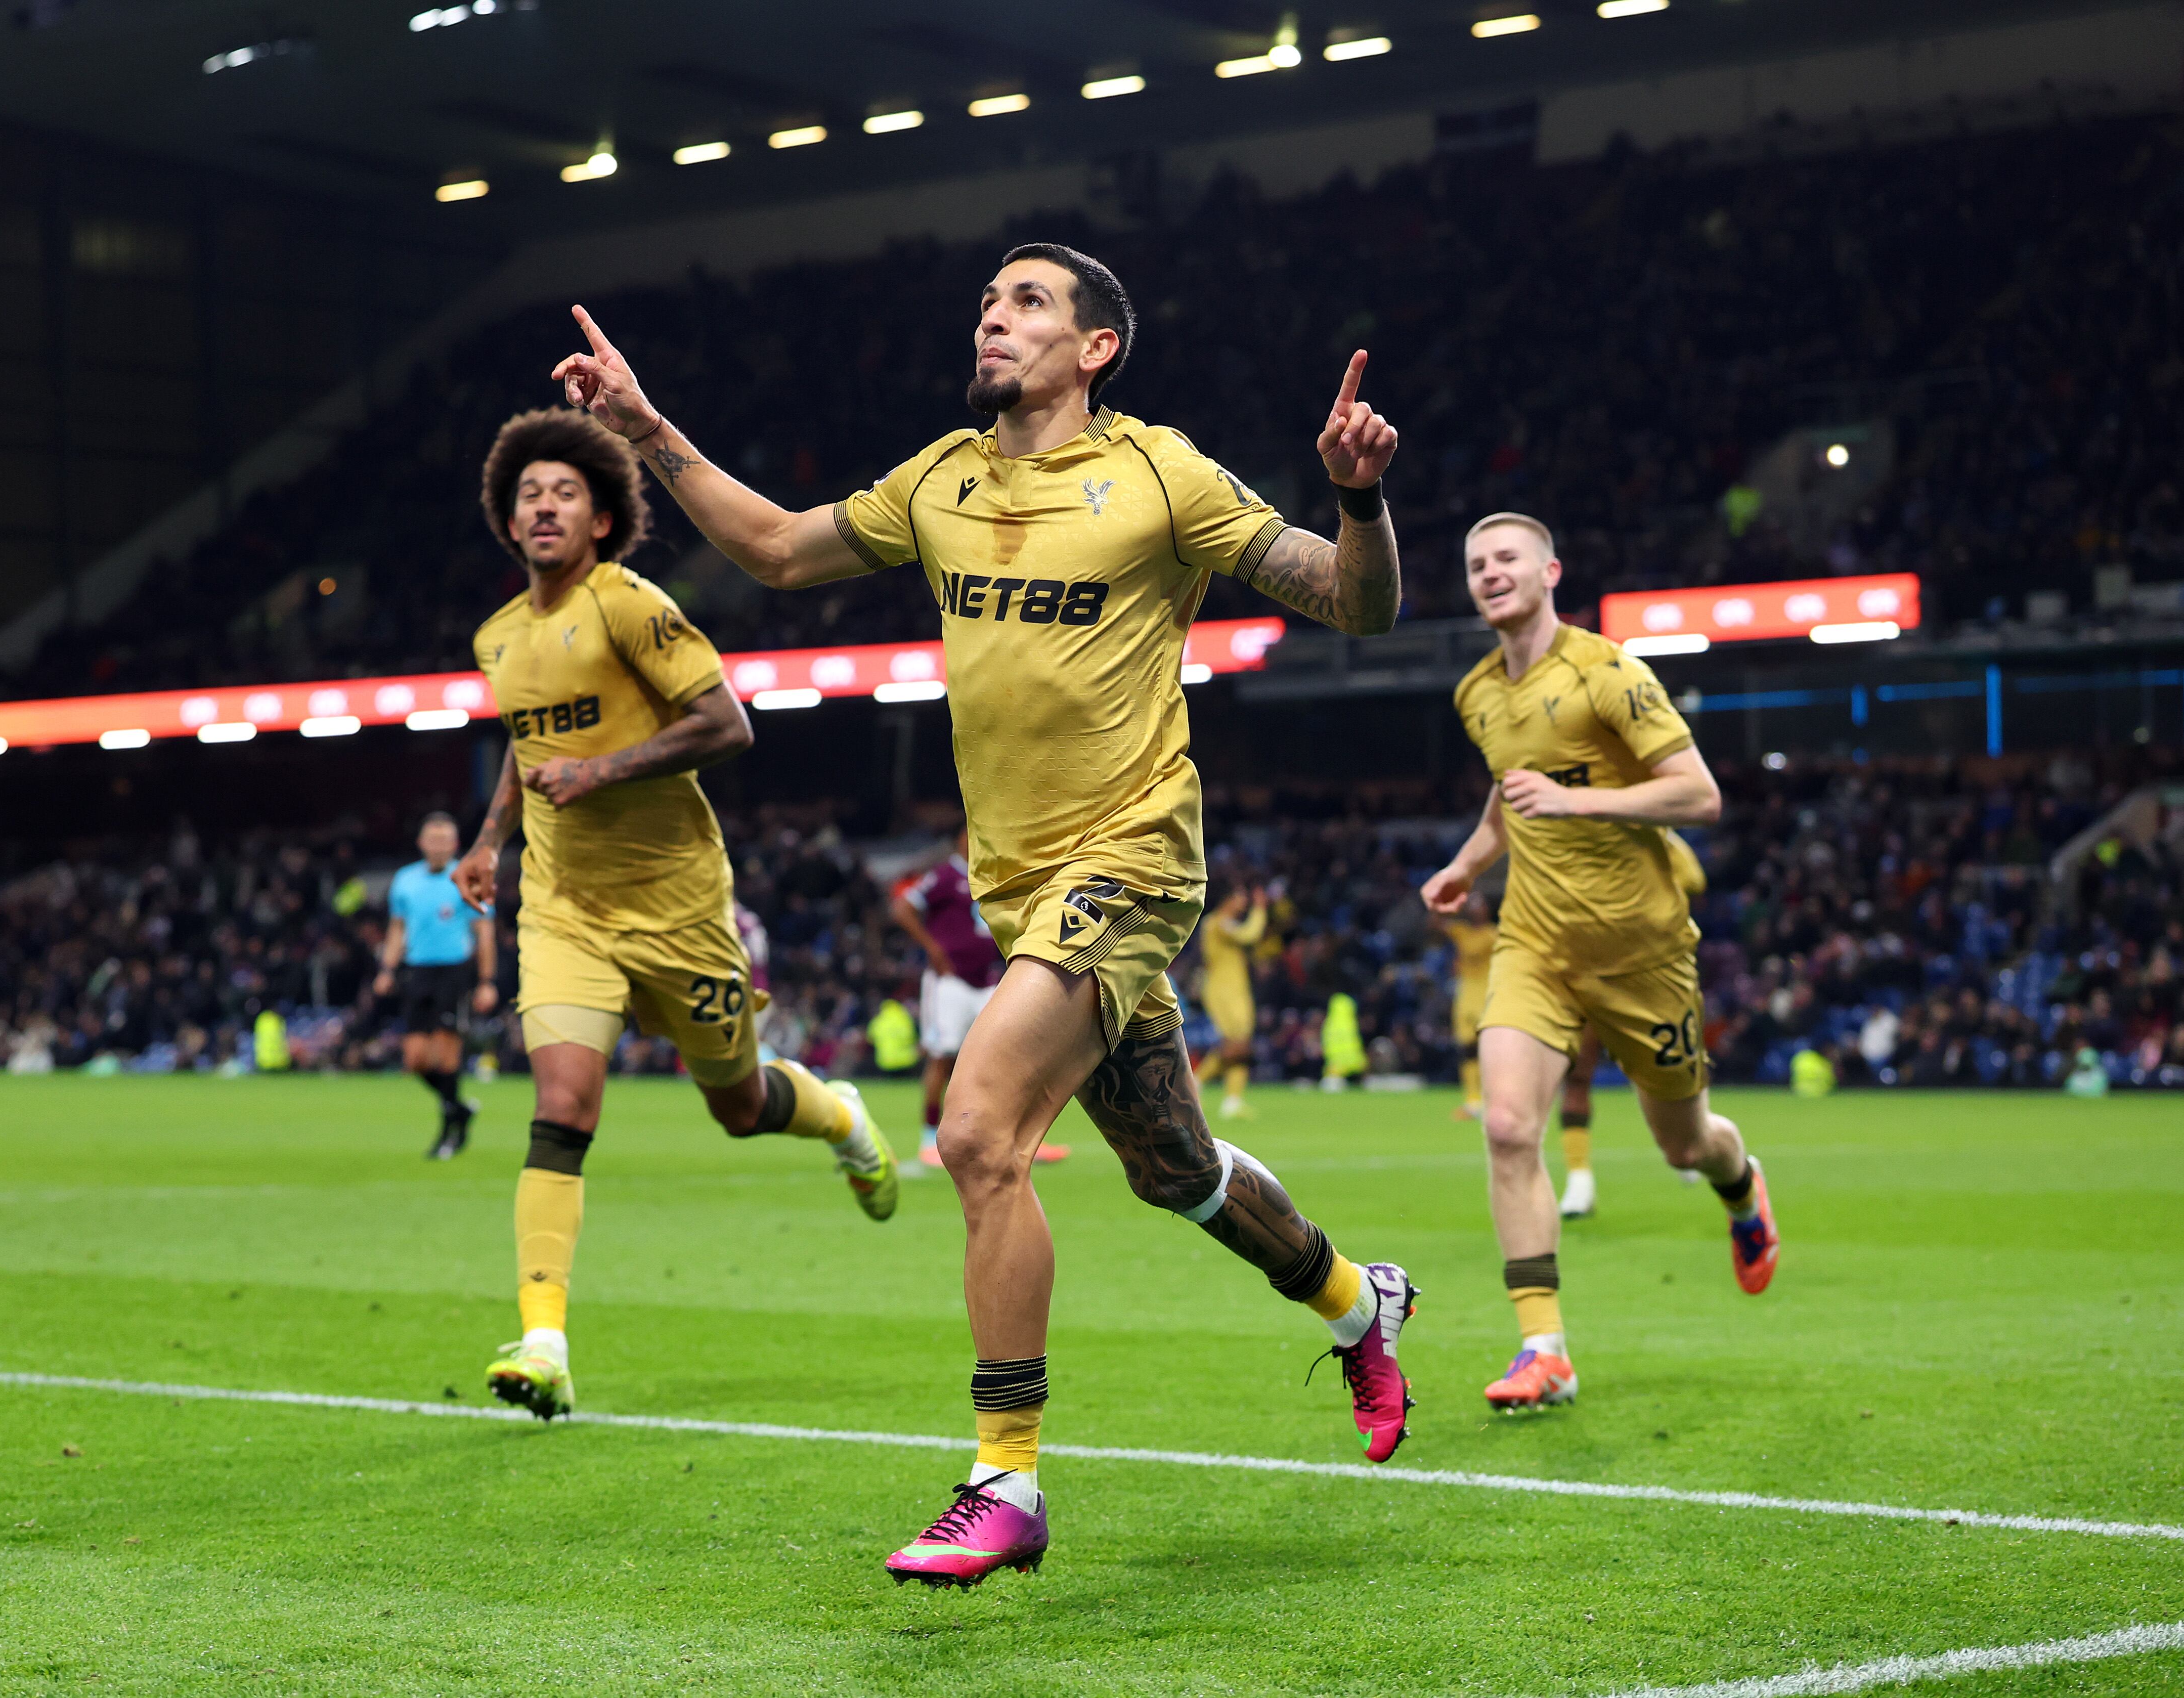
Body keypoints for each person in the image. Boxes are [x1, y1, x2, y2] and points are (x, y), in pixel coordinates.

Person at [550, 242, 1420, 1588]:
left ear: (1096, 349)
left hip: (1132, 856)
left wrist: (1360, 501)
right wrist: (649, 428)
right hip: (1015, 884)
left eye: (1026, 304)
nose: (993, 318)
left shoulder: (1162, 474)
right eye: (988, 301)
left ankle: (1004, 1478)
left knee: (974, 1130)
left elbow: (1355, 603)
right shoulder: (942, 478)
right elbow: (778, 549)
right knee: (1173, 1168)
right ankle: (1362, 1301)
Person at [452, 406, 900, 1424]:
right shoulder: (498, 637)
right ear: (508, 521)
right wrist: (489, 840)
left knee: (738, 1107)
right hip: (563, 907)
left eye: (565, 492)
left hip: (676, 905)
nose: (545, 507)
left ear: (604, 520)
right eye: (530, 495)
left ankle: (838, 1116)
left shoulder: (629, 605)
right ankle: (545, 1340)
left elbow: (725, 722)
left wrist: (604, 767)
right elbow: (530, 754)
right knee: (562, 1107)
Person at [1422, 512, 1779, 1413]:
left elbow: (1699, 793)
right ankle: (1544, 1347)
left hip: (1642, 950)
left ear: (1550, 570)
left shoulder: (1608, 671)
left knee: (1684, 1144)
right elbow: (1514, 797)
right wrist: (1468, 864)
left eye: (1507, 558)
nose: (1491, 573)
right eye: (1476, 564)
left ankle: (1741, 1186)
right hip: (1536, 944)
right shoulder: (1476, 693)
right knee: (1507, 1124)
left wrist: (1577, 806)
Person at [889, 824, 1067, 1170]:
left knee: (1010, 1059)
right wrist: (932, 948)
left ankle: (1021, 1139)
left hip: (989, 979)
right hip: (951, 981)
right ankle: (930, 1140)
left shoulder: (995, 875)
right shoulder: (945, 875)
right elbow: (902, 907)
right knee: (943, 1058)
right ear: (959, 840)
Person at [1556, 834, 1708, 1215]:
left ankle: (1690, 1141)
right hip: (1586, 974)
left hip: (1646, 980)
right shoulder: (1578, 843)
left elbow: (1693, 884)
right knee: (1576, 1076)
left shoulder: (1662, 845)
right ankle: (1579, 1181)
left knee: (1659, 1077)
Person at [373, 812, 497, 1158]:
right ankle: (459, 1106)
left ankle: (449, 1133)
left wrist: (486, 981)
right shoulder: (405, 881)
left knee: (446, 1052)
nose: (439, 845)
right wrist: (387, 968)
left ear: (455, 845)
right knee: (414, 1058)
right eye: (433, 839)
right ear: (422, 843)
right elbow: (398, 928)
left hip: (453, 970)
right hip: (417, 970)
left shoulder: (467, 877)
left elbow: (483, 932)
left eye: (446, 840)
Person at [1195, 884, 1268, 1117]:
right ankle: (1196, 1084)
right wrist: (1260, 910)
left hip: (1236, 990)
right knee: (1235, 1044)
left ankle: (1232, 1100)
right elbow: (1250, 935)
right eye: (1239, 898)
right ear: (1226, 899)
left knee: (1240, 1045)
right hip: (1223, 992)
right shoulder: (1218, 923)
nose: (1243, 903)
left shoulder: (1221, 924)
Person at [1433, 892, 1497, 1122]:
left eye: (1479, 905)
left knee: (1490, 1050)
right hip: (1466, 996)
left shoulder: (1494, 935)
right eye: (1472, 905)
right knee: (1467, 1048)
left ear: (1487, 910)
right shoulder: (1462, 932)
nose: (1475, 909)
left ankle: (1496, 1099)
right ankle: (1473, 1101)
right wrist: (1446, 903)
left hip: (1487, 994)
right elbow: (1435, 925)